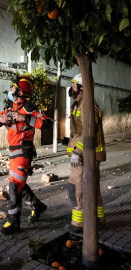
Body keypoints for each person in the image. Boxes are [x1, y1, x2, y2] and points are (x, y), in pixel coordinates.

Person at [0, 75, 53, 235]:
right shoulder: (10, 108)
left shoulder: (28, 109)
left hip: (23, 151)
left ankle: (14, 222)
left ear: (20, 91)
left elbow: (47, 124)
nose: (10, 90)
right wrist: (0, 119)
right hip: (13, 151)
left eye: (13, 87)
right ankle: (37, 206)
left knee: (14, 186)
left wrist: (24, 117)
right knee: (18, 183)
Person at [66, 74, 106, 233]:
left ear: (81, 87)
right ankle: (98, 219)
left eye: (74, 84)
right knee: (92, 186)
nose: (72, 87)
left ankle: (79, 223)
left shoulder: (87, 105)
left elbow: (89, 132)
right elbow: (78, 131)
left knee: (76, 186)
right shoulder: (81, 103)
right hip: (90, 154)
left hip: (86, 155)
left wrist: (77, 152)